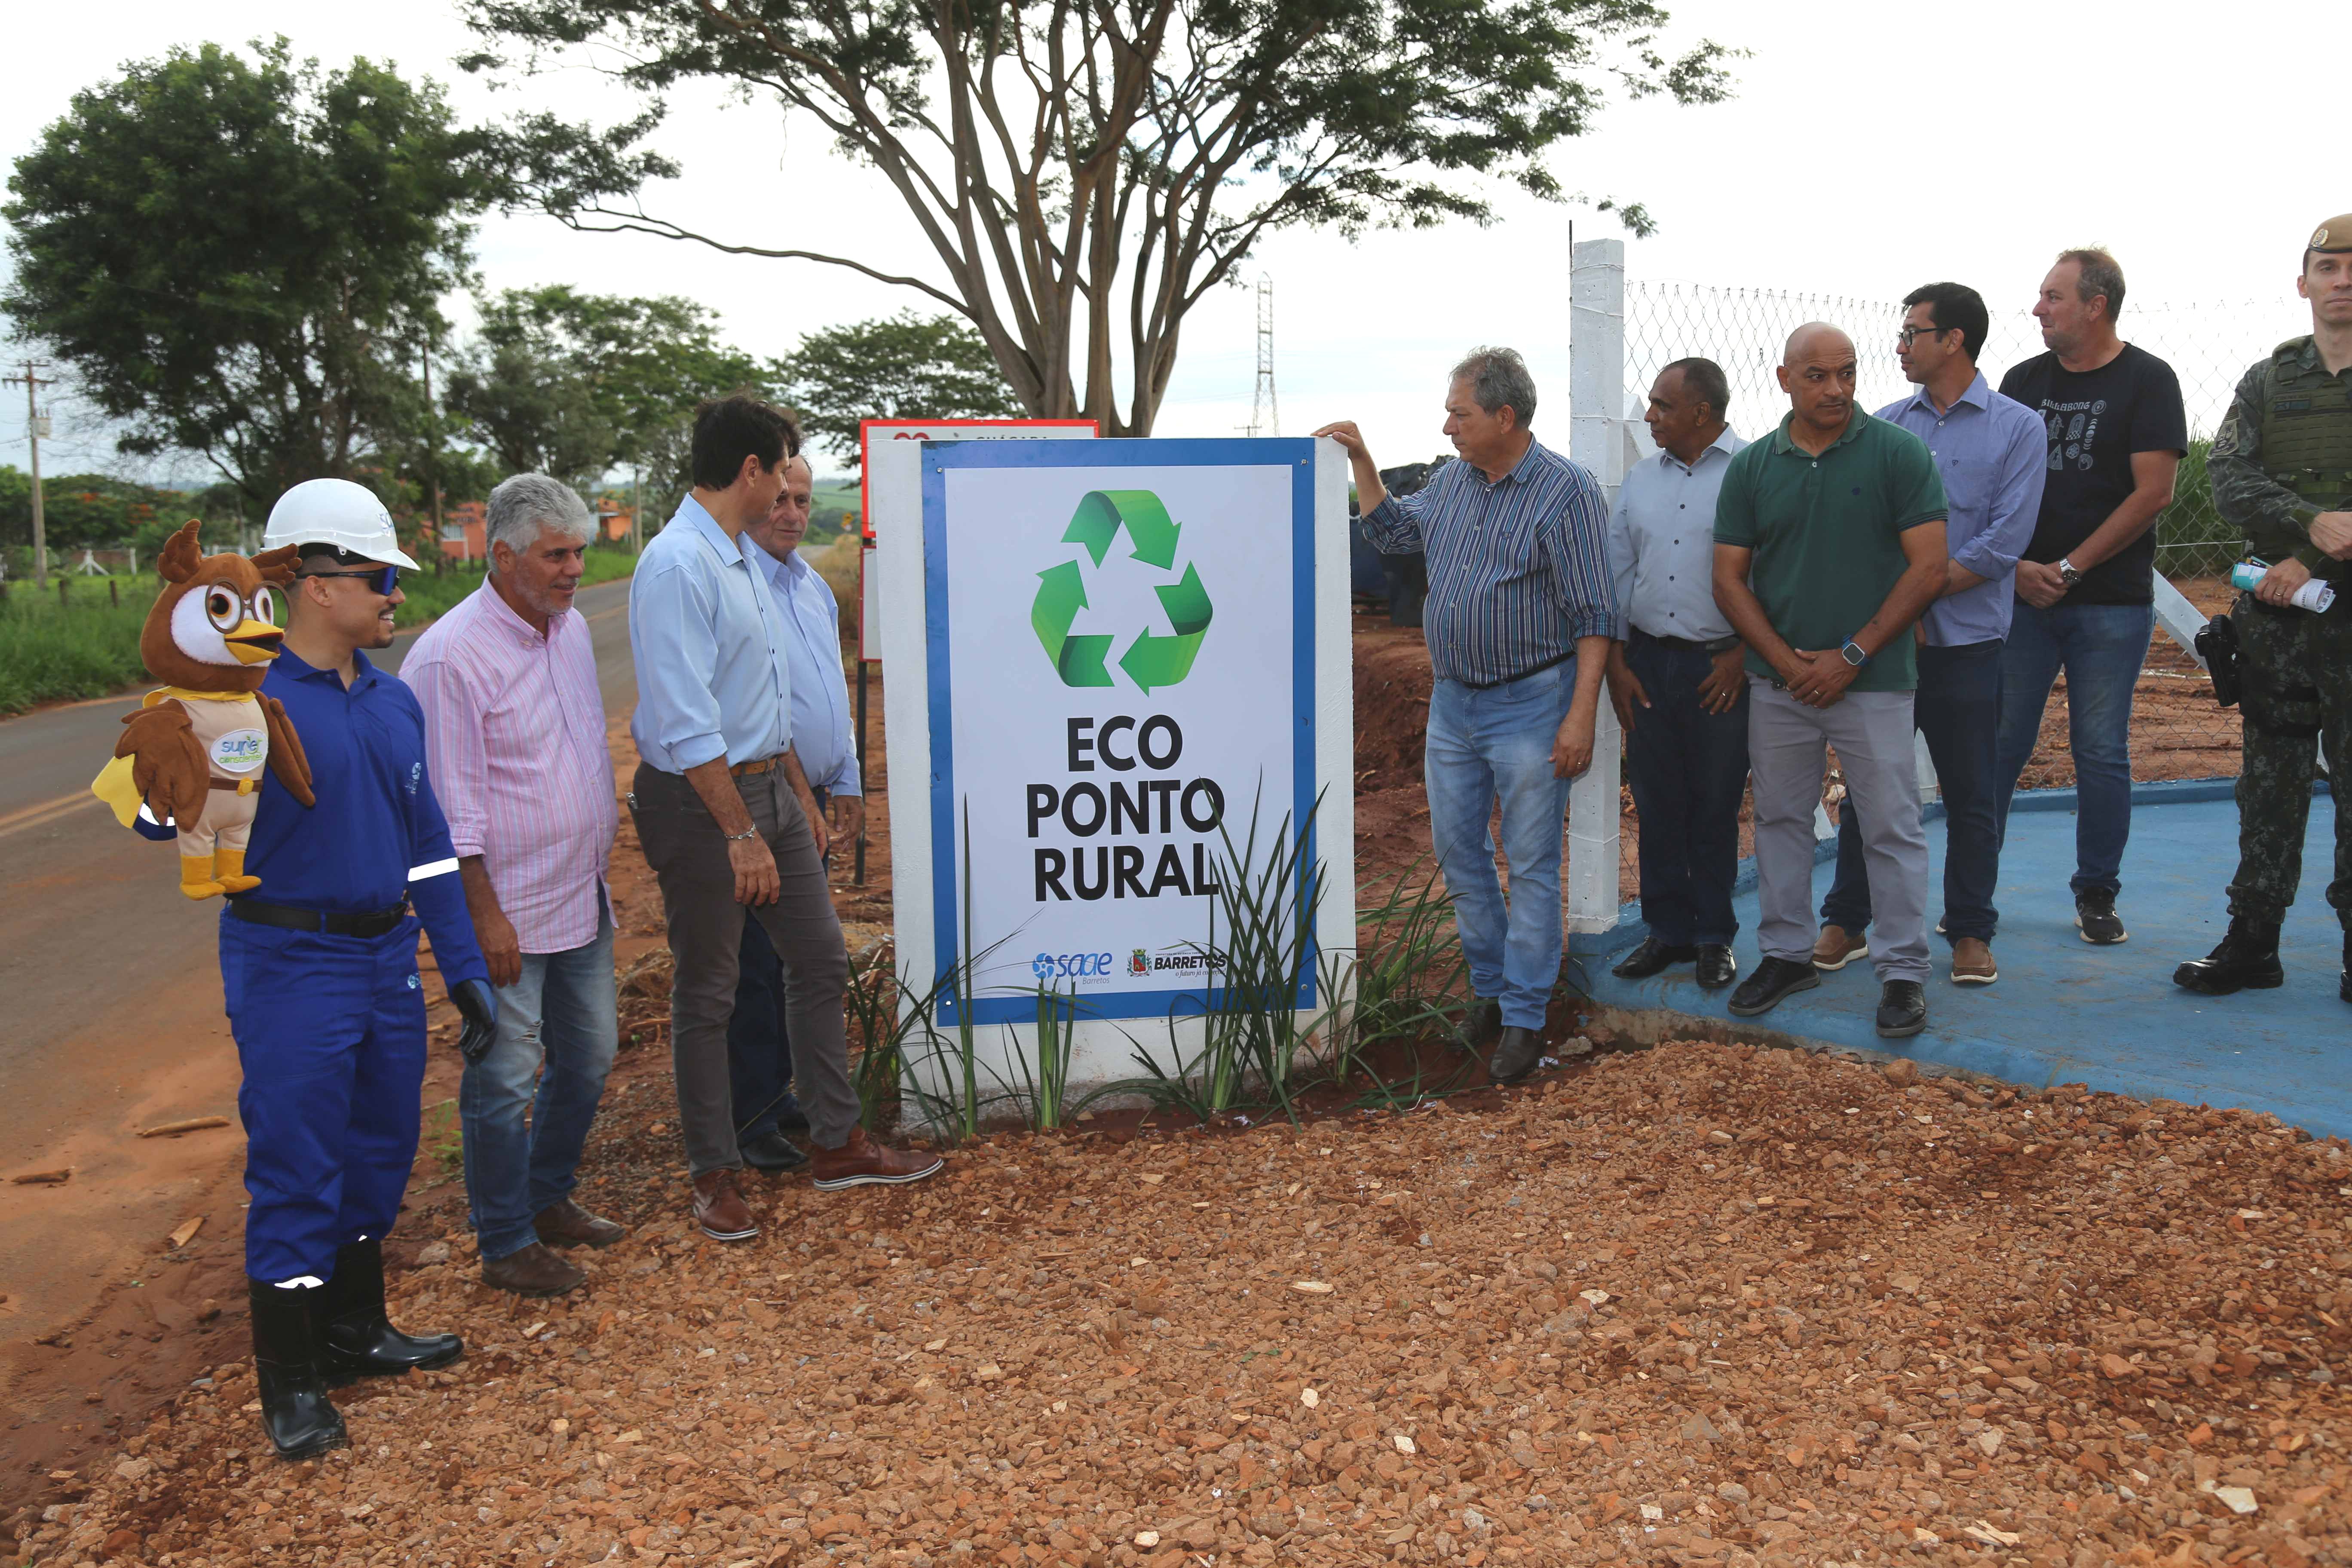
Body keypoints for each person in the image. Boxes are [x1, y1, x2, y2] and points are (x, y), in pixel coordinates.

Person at [628, 395, 941, 1243]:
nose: (789, 496)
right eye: (781, 475)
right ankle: (714, 1175)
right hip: (704, 803)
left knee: (819, 959)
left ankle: (837, 1143)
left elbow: (767, 699)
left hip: (770, 787)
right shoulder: (679, 566)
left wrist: (796, 792)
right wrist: (740, 834)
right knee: (710, 990)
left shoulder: (740, 558)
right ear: (751, 471)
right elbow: (688, 723)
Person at [229, 478, 497, 1459]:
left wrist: (461, 967)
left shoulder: (391, 702)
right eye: (381, 578)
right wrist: (171, 767)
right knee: (299, 1162)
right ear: (315, 583)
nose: (396, 596)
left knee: (381, 1147)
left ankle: (354, 1329)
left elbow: (427, 846)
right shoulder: (243, 699)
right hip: (291, 958)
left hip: (386, 958)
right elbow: (157, 817)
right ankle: (292, 1379)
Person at [1314, 347, 1617, 1085]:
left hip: (1533, 702)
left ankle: (1525, 1017)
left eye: (1460, 413)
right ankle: (1489, 991)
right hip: (1455, 704)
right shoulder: (1453, 481)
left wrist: (1580, 716)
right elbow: (1394, 533)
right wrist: (1363, 460)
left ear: (1504, 417)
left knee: (1533, 864)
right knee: (1459, 853)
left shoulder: (1566, 492)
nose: (1447, 427)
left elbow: (1596, 614)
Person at [404, 473, 627, 1298]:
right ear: (502, 556)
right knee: (503, 1076)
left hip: (579, 893)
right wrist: (482, 918)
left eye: (579, 552)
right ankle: (504, 1241)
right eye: (555, 555)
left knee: (591, 1056)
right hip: (506, 911)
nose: (574, 570)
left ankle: (547, 1196)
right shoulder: (450, 658)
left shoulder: (568, 629)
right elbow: (447, 809)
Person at [1711, 325, 1949, 1038]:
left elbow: (1930, 568)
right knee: (1780, 820)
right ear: (1785, 379)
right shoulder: (1753, 467)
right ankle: (1786, 956)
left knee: (1890, 826)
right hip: (1779, 686)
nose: (1837, 389)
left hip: (1875, 683)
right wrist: (1787, 665)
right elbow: (1728, 579)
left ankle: (1902, 972)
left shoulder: (1898, 453)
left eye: (1847, 372)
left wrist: (1851, 656)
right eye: (1817, 376)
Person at [1813, 285, 2048, 986]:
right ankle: (1847, 919)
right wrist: (1898, 614)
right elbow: (1862, 534)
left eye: (1913, 332)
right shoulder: (1883, 427)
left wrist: (1915, 592)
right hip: (1891, 648)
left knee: (1973, 794)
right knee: (1870, 788)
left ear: (1954, 340)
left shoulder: (2018, 429)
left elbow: (2003, 543)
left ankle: (1970, 931)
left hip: (1970, 648)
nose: (1900, 346)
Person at [2176, 216, 2352, 1003]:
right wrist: (2309, 523)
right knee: (2269, 784)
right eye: (2329, 266)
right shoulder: (2268, 381)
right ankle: (2253, 942)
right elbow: (2228, 479)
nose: (2343, 280)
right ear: (2303, 282)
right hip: (2277, 621)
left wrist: (2309, 557)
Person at [1991, 248, 2187, 946]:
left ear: (2095, 306)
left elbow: (2153, 493)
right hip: (2021, 600)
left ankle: (2097, 894)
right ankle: (1973, 895)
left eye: (2053, 296)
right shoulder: (2022, 381)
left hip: (2110, 603)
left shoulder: (2149, 380)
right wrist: (2015, 568)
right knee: (2000, 745)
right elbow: (1993, 486)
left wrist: (2069, 569)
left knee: (2100, 751)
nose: (2038, 308)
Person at [727, 453, 865, 1173]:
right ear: (754, 496)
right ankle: (749, 1117)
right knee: (754, 964)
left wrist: (848, 777)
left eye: (804, 501)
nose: (791, 513)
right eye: (780, 498)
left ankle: (784, 1096)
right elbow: (756, 711)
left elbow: (829, 687)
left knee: (800, 961)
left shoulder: (810, 586)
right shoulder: (738, 587)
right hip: (763, 796)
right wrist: (799, 796)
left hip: (809, 795)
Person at [1604, 358, 1749, 990]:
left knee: (1715, 804)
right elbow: (1616, 572)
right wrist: (1616, 663)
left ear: (1702, 412)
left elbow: (1775, 569)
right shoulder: (1641, 480)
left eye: (1663, 405)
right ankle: (1666, 931)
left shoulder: (1752, 471)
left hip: (1722, 664)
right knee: (1657, 802)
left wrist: (1743, 655)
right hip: (1647, 664)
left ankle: (1714, 935)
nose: (1650, 416)